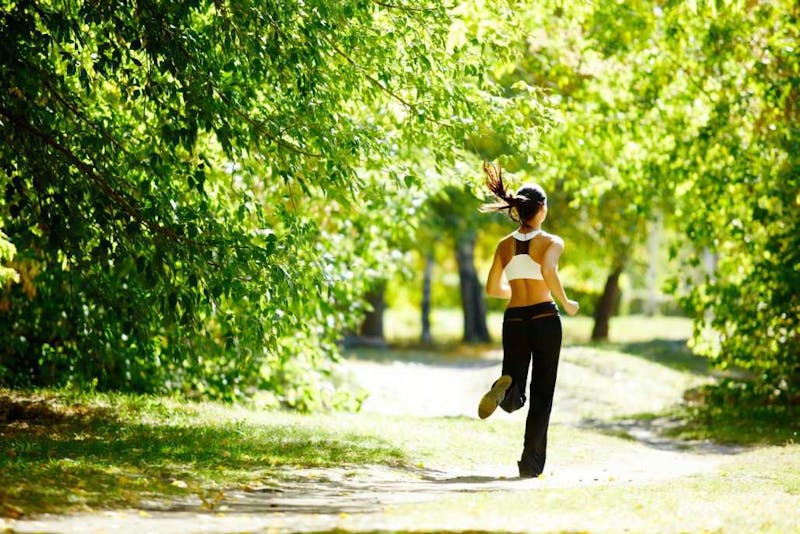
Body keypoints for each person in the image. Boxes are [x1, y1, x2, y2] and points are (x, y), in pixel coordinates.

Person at [478, 161, 579, 478]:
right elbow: (548, 271)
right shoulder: (551, 241)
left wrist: (516, 292)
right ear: (542, 209)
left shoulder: (504, 245)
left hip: (514, 319)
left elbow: (493, 288)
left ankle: (506, 390)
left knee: (516, 382)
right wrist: (566, 302)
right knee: (542, 393)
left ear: (518, 210)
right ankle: (530, 464)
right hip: (545, 317)